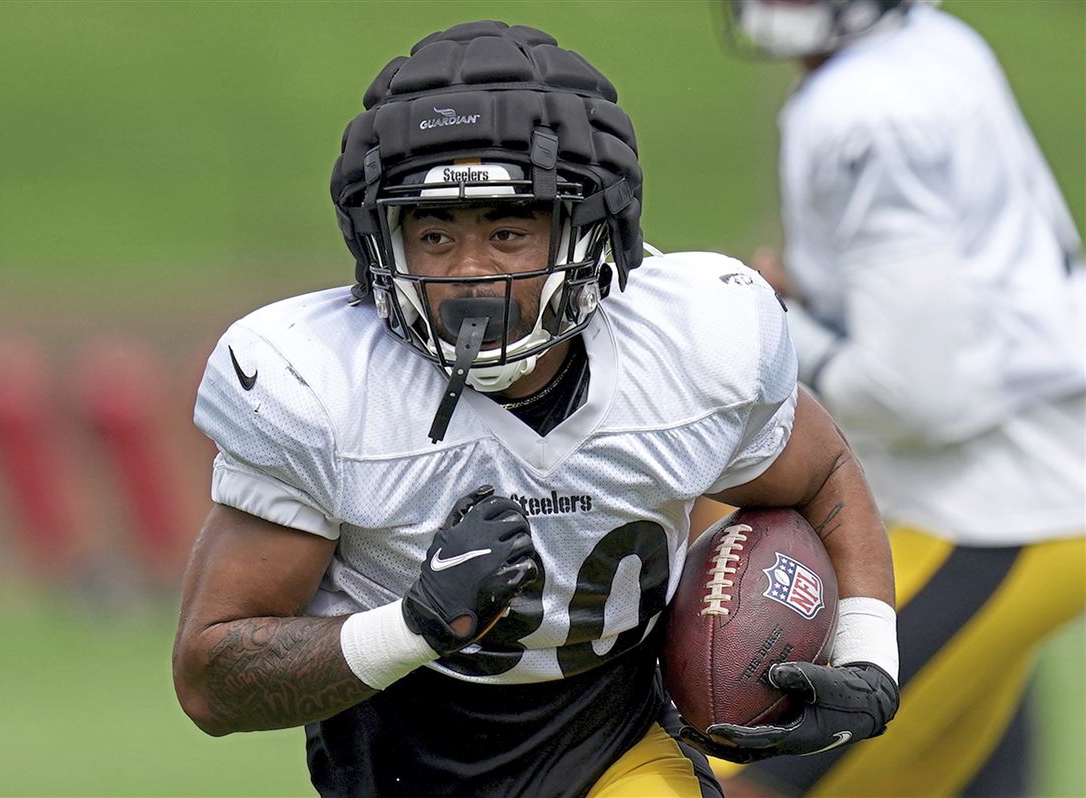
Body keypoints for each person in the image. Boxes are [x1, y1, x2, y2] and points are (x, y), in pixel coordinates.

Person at [172, 20, 901, 798]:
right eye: (435, 234)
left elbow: (822, 474)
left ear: (591, 233)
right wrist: (414, 625)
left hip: (614, 753)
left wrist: (868, 653)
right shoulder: (322, 389)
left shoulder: (691, 349)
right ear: (383, 241)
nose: (471, 272)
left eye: (509, 230)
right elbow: (211, 681)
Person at [714, 1, 1086, 796]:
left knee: (732, 770)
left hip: (994, 506)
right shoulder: (931, 45)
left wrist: (774, 322)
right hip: (1002, 480)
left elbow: (916, 393)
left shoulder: (865, 108)